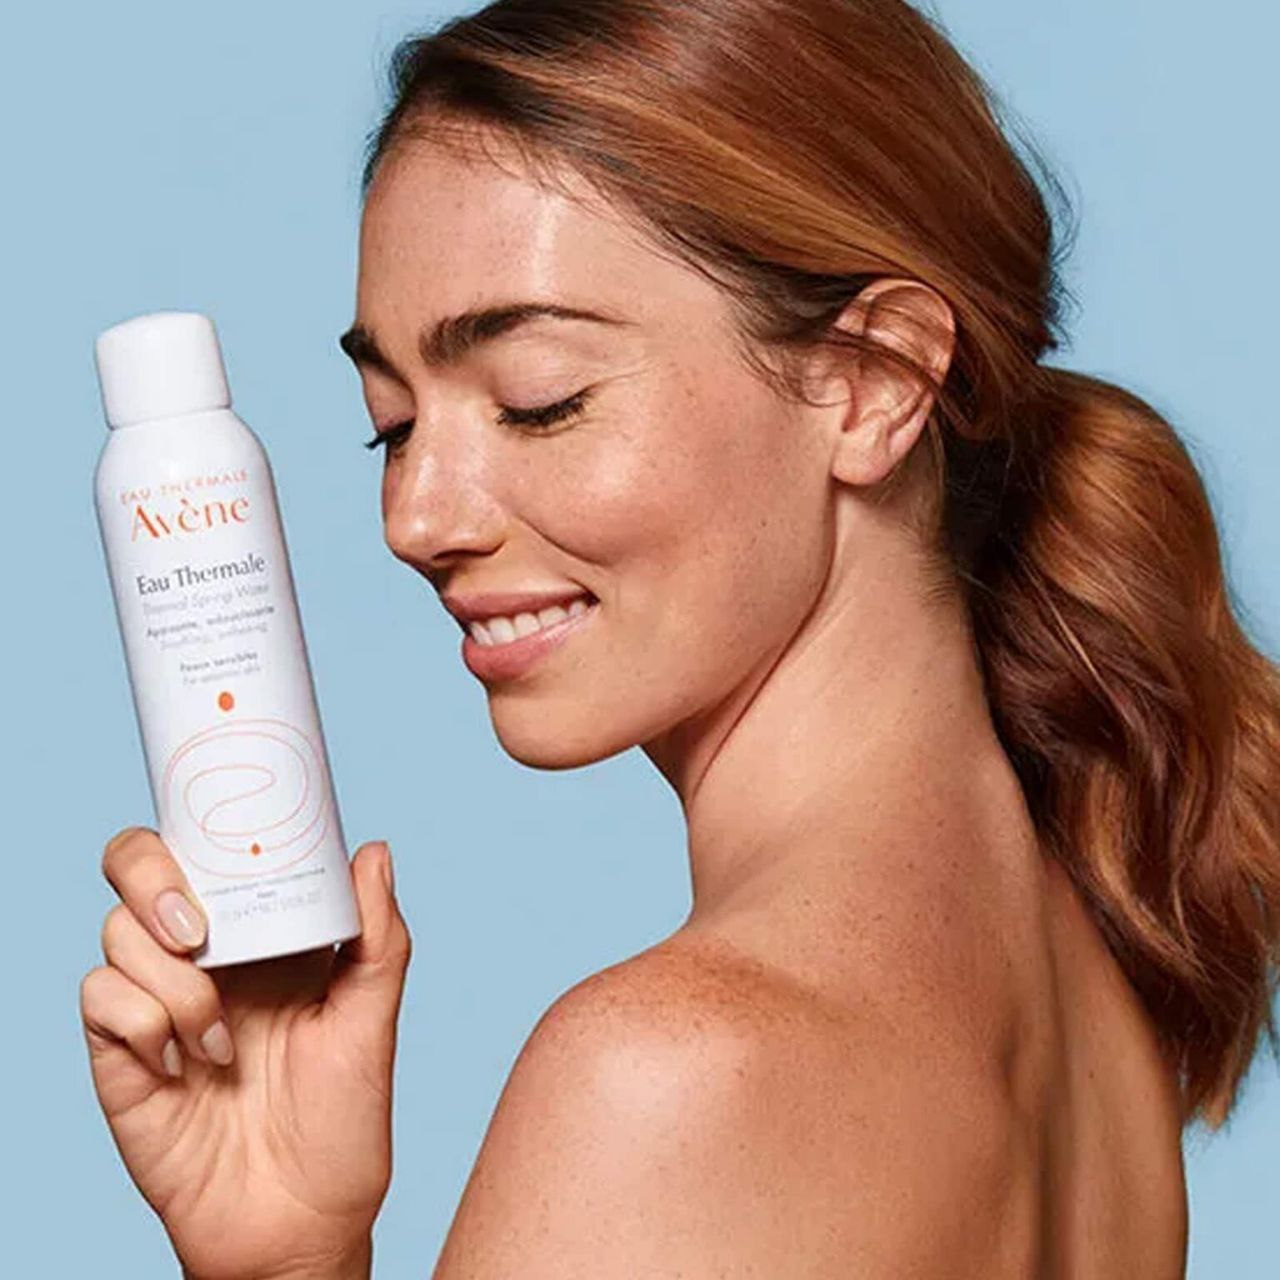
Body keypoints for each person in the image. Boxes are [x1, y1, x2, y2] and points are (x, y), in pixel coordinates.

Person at [79, 0, 1280, 1276]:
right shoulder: (1098, 1002)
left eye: (538, 401)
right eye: (393, 423)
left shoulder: (664, 1076)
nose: (415, 517)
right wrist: (289, 1257)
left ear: (874, 380)